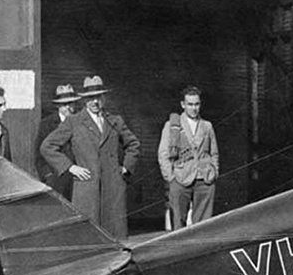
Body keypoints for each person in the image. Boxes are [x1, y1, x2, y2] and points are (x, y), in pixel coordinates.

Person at [40, 75, 141, 239]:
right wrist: (70, 167)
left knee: (115, 236)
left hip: (113, 188)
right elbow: (47, 146)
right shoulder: (74, 121)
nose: (95, 102)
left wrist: (125, 168)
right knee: (89, 237)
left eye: (98, 97)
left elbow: (133, 144)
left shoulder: (114, 121)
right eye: (90, 98)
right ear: (84, 100)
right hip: (87, 189)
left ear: (104, 98)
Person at [157, 86, 219, 228]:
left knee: (204, 224)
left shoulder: (207, 126)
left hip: (204, 178)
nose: (194, 108)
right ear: (183, 105)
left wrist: (214, 171)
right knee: (178, 221)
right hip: (180, 177)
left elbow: (214, 152)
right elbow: (163, 154)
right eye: (190, 104)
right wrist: (170, 177)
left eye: (196, 104)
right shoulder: (173, 126)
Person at [34, 84, 80, 199]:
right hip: (56, 178)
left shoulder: (81, 122)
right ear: (58, 105)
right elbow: (39, 154)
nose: (68, 108)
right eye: (65, 104)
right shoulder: (47, 124)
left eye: (71, 103)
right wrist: (48, 176)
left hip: (78, 179)